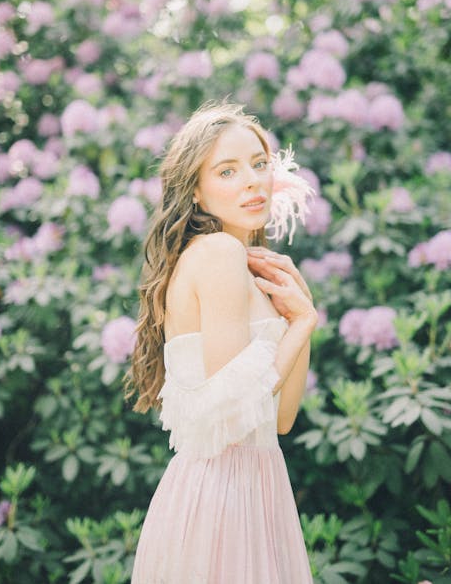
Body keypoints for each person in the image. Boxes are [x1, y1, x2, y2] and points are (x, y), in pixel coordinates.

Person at [125, 100, 317, 583]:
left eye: (258, 164)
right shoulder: (217, 252)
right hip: (223, 500)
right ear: (195, 191)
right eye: (227, 171)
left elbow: (282, 419)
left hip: (257, 488)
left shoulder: (249, 263)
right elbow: (233, 415)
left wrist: (299, 314)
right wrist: (302, 324)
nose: (253, 181)